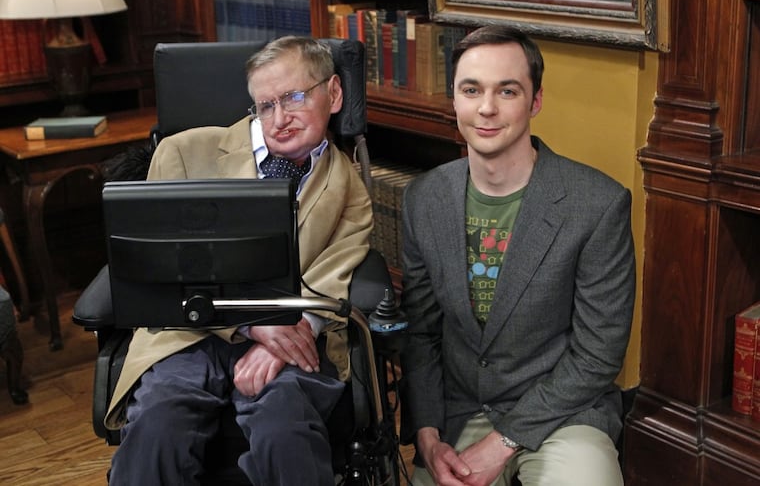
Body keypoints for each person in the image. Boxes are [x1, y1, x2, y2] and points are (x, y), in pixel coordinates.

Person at [105, 36, 373, 485]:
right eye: (265, 106)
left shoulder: (350, 189)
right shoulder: (184, 153)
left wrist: (286, 335)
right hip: (188, 331)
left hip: (289, 336)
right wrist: (250, 323)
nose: (280, 119)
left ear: (334, 94)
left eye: (294, 97)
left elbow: (333, 275)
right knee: (159, 424)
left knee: (284, 430)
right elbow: (160, 268)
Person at [399, 25, 636, 486]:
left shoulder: (598, 205)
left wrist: (502, 442)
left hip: (563, 412)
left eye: (507, 91)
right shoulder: (422, 199)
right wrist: (426, 434)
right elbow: (422, 334)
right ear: (454, 98)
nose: (486, 108)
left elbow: (597, 355)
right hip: (462, 408)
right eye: (471, 90)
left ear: (536, 101)